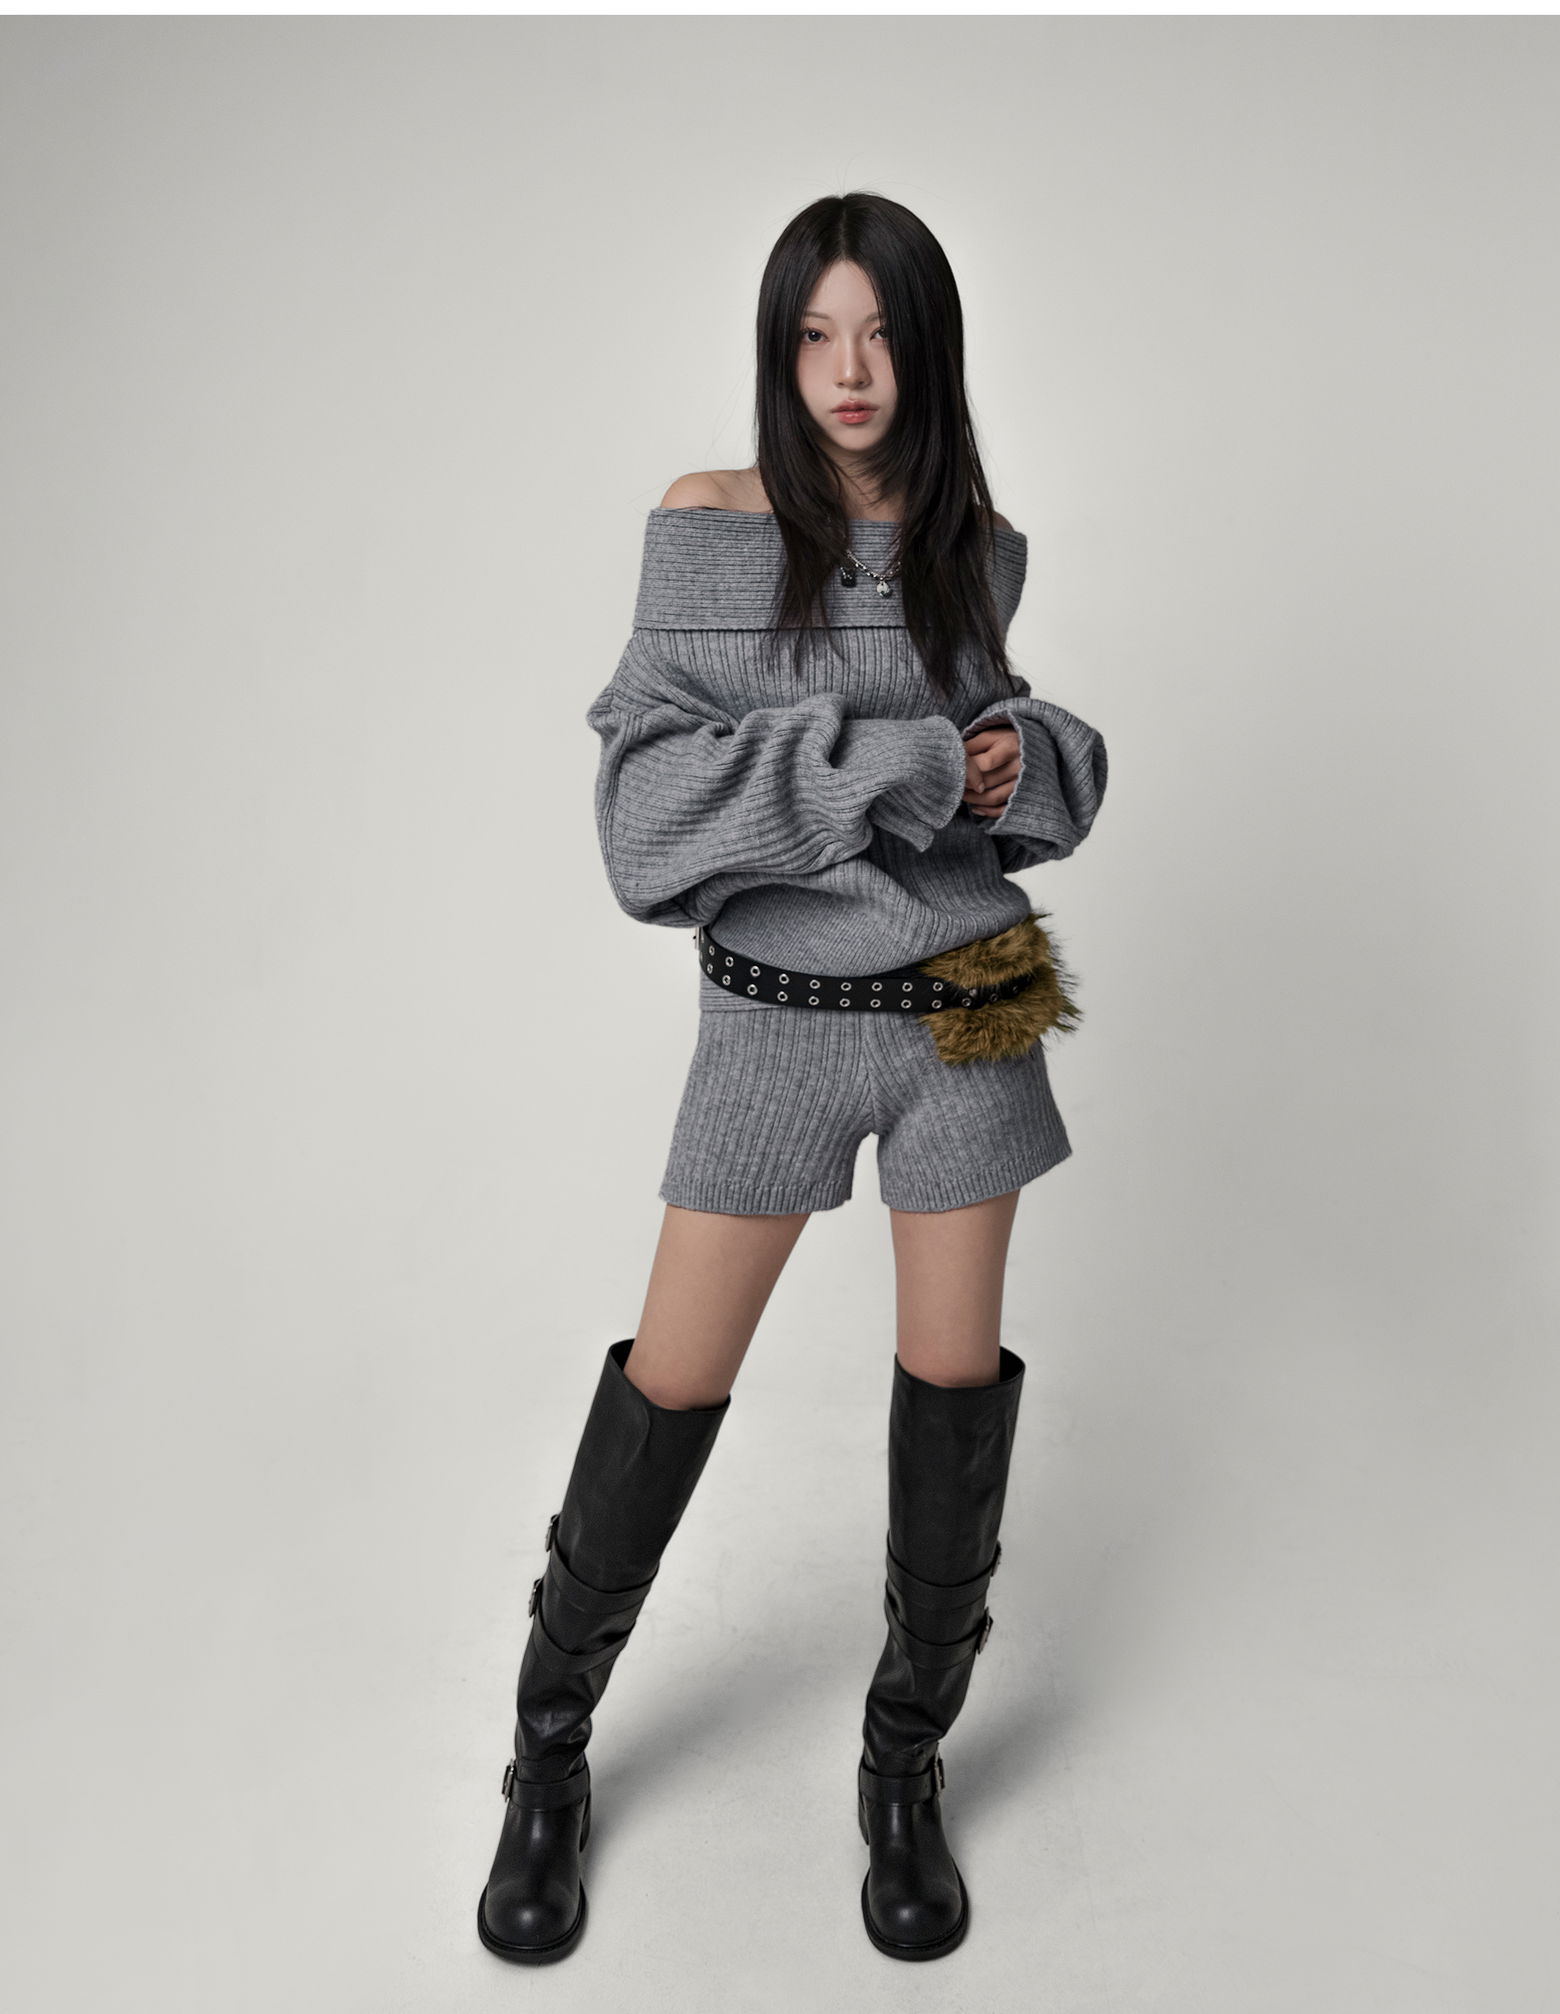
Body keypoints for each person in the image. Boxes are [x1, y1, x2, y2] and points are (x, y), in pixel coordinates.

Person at [477, 190, 1109, 1967]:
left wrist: (1017, 753)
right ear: (779, 348)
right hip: (772, 1009)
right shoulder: (710, 527)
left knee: (955, 1387)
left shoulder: (974, 541)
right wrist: (895, 759)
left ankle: (904, 1763)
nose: (852, 370)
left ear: (929, 349)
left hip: (972, 993)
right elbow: (645, 822)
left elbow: (1016, 772)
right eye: (819, 334)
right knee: (675, 1377)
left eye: (883, 333)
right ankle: (548, 1747)